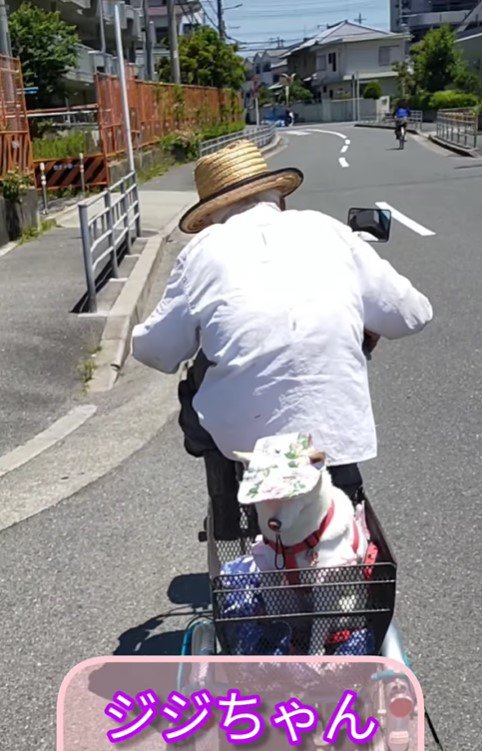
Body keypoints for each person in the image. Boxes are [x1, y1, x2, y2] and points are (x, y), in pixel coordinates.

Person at [131, 139, 433, 539]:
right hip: (338, 431)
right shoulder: (329, 230)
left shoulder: (203, 250)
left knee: (193, 391)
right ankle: (347, 508)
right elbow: (413, 314)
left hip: (242, 440)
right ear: (279, 198)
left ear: (211, 216)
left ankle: (227, 513)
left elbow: (156, 351)